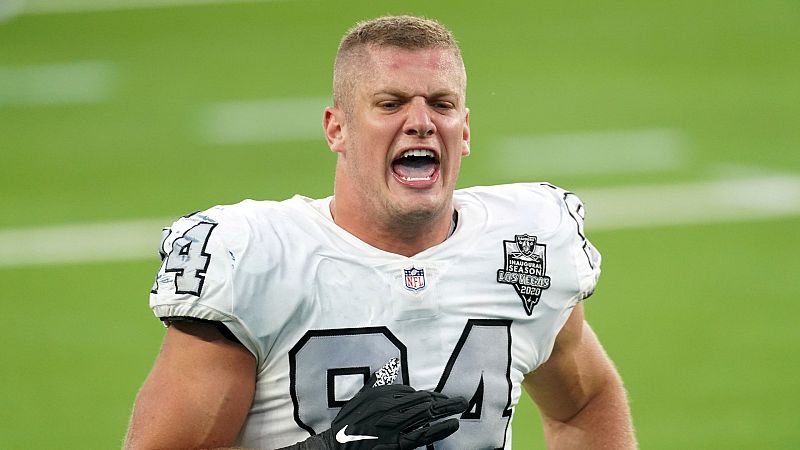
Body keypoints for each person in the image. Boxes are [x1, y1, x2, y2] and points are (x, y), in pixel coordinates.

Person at [124, 15, 637, 450]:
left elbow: (584, 403)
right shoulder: (254, 259)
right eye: (391, 104)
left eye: (442, 104)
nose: (421, 122)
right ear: (337, 128)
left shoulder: (524, 243)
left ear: (464, 130)